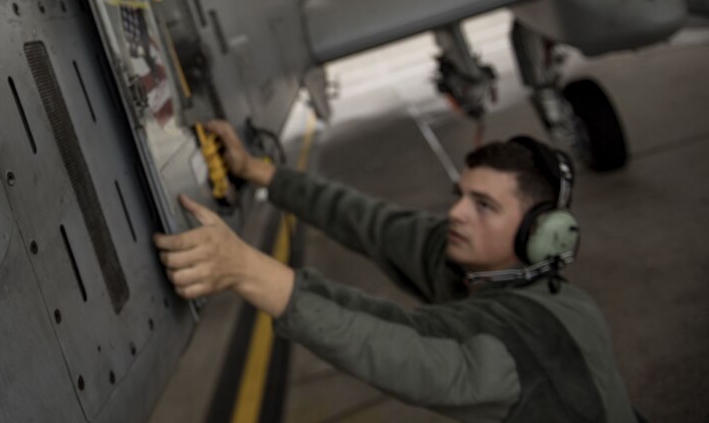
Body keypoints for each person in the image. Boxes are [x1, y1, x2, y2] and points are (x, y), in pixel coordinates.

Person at [153, 120, 638, 421]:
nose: (457, 213)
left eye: (484, 205)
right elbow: (369, 221)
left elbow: (391, 342)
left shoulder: (532, 340)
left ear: (540, 234)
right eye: (461, 195)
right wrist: (259, 172)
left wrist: (244, 269)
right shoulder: (482, 264)